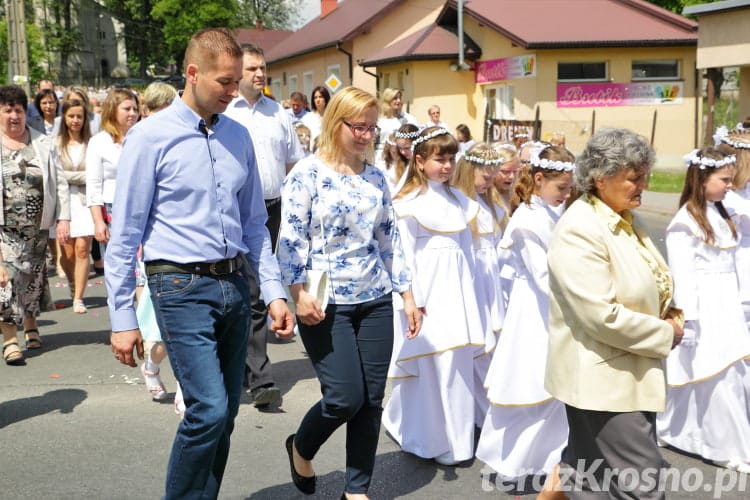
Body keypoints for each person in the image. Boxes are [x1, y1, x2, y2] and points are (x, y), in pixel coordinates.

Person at [106, 28, 294, 498]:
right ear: (193, 74)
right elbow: (125, 234)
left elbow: (255, 225)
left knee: (226, 412)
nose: (237, 92)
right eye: (226, 83)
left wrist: (273, 292)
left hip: (234, 284)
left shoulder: (238, 136)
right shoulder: (149, 138)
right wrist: (122, 318)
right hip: (178, 285)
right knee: (207, 408)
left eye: (238, 82)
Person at [277, 85, 420, 500]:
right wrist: (297, 293)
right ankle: (301, 447)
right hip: (325, 301)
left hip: (374, 297)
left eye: (372, 129)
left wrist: (407, 295)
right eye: (358, 127)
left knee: (371, 400)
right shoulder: (305, 174)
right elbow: (290, 241)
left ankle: (356, 490)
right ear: (335, 123)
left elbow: (390, 239)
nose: (366, 136)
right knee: (343, 398)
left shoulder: (376, 178)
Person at [546, 128, 684, 498]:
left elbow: (647, 281)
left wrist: (670, 310)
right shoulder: (581, 229)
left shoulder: (621, 217)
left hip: (622, 371)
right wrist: (665, 334)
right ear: (600, 178)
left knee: (589, 478)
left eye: (645, 176)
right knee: (640, 485)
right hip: (605, 379)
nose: (643, 185)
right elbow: (600, 316)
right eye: (634, 178)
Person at [384, 127, 485, 466]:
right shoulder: (409, 204)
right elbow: (405, 256)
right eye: (440, 159)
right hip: (426, 294)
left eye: (451, 159)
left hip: (458, 294)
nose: (447, 166)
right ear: (420, 160)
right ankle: (425, 436)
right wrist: (411, 300)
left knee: (456, 363)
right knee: (430, 363)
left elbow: (467, 253)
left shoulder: (460, 202)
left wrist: (474, 297)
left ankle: (457, 441)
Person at [475, 145, 575, 480]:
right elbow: (542, 276)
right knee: (530, 380)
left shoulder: (553, 212)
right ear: (539, 179)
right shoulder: (527, 220)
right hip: (534, 311)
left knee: (553, 385)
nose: (566, 194)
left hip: (554, 309)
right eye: (560, 187)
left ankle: (550, 457)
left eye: (569, 188)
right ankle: (514, 460)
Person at [656, 148, 750, 473]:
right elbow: (682, 278)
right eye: (723, 179)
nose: (729, 185)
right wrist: (689, 321)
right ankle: (724, 446)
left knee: (732, 373)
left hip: (727, 305)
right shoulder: (685, 223)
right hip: (705, 308)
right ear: (702, 179)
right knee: (716, 376)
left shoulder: (722, 214)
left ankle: (675, 429)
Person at [223, 42, 305, 407]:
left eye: (263, 68)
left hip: (271, 210)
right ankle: (242, 368)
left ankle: (260, 378)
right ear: (239, 72)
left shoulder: (278, 114)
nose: (260, 74)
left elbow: (292, 165)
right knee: (239, 293)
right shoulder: (226, 113)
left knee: (258, 290)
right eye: (253, 68)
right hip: (232, 213)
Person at [0, 85, 70, 365]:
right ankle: (9, 339)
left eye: (18, 109)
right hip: (5, 229)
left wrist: (63, 218)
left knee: (30, 280)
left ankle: (30, 324)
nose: (14, 116)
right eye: (7, 110)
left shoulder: (43, 141)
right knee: (4, 282)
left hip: (37, 227)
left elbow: (60, 182)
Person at [450, 142, 506, 427]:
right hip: (473, 282)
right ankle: (482, 417)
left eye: (492, 176)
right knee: (478, 349)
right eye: (485, 176)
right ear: (469, 171)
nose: (489, 182)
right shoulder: (459, 204)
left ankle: (486, 414)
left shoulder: (492, 204)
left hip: (491, 283)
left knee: (491, 349)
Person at [134, 81, 178, 404]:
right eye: (158, 109)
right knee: (161, 332)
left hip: (186, 253)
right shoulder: (141, 141)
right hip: (153, 249)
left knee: (184, 331)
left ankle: (188, 394)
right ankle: (151, 366)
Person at [85, 88, 139, 256]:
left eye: (135, 109)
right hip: (112, 208)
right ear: (113, 110)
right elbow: (93, 185)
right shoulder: (99, 142)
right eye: (127, 109)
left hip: (141, 207)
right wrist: (98, 222)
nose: (133, 113)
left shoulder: (143, 138)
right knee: (119, 260)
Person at [55, 99, 94, 314]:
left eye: (79, 116)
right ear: (65, 118)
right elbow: (56, 175)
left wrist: (71, 177)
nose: (75, 120)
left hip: (86, 202)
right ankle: (72, 284)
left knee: (82, 249)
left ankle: (78, 297)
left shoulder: (92, 142)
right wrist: (80, 177)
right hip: (63, 203)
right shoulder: (56, 142)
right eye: (71, 116)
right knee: (68, 252)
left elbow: (95, 174)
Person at [375, 88, 417, 166]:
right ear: (388, 100)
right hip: (381, 159)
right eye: (395, 98)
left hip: (401, 157)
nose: (398, 101)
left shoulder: (407, 119)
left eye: (399, 98)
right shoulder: (378, 119)